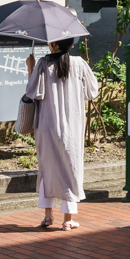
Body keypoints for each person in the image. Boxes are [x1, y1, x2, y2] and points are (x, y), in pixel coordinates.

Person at [24, 38, 99, 229]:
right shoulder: (79, 64)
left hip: (47, 124)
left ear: (54, 45)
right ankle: (68, 219)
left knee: (47, 168)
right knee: (70, 168)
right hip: (73, 124)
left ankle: (48, 215)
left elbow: (32, 92)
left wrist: (30, 69)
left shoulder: (42, 64)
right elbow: (92, 91)